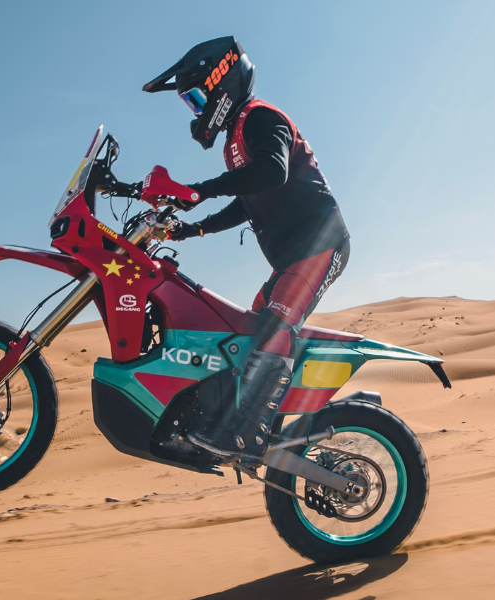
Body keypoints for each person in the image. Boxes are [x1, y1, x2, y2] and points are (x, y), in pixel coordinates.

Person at [125, 36, 351, 459]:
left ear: (220, 82)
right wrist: (193, 231)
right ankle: (232, 421)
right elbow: (248, 200)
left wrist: (198, 191)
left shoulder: (261, 117)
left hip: (321, 245)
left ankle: (248, 431)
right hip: (290, 261)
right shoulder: (235, 138)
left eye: (196, 98)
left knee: (274, 331)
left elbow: (271, 172)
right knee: (243, 335)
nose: (196, 110)